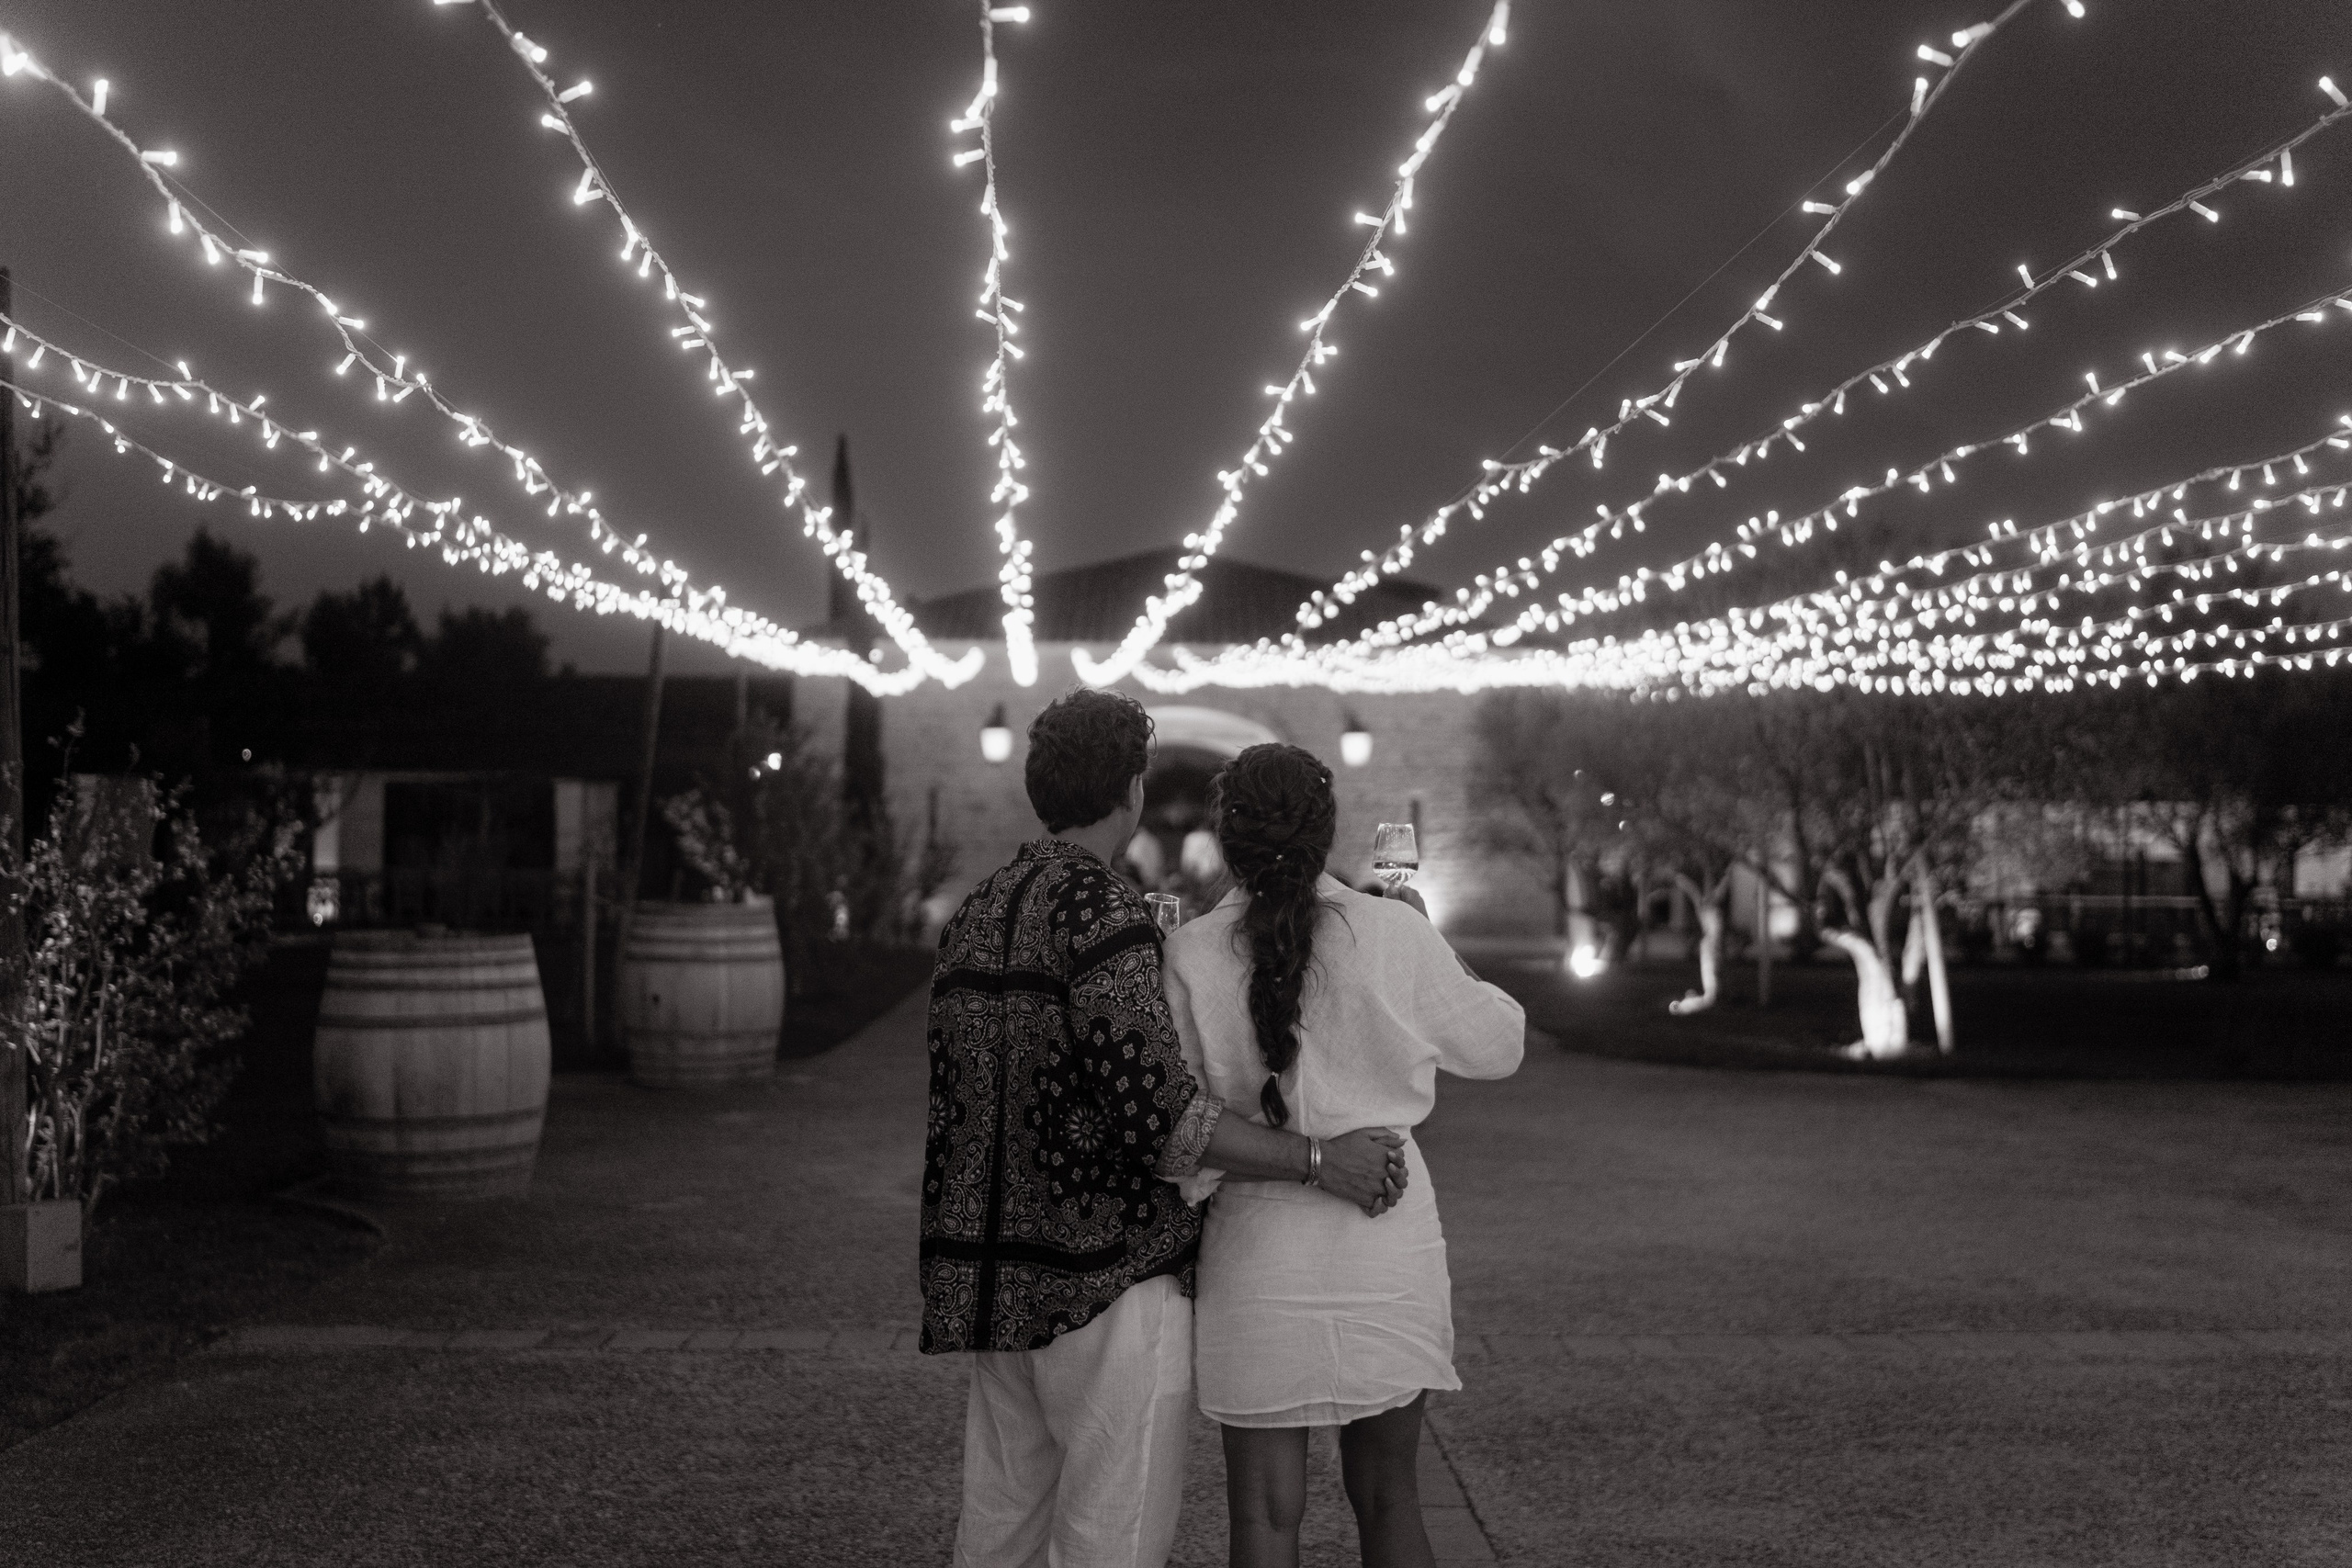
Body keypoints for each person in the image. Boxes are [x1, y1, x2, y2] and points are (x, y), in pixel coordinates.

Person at [920, 689, 1412, 1568]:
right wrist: (1314, 1158)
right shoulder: (1102, 915)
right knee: (1110, 1540)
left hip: (997, 1277)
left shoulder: (976, 912)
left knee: (997, 1533)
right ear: (1133, 791)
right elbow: (1163, 1121)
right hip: (1104, 1282)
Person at [1161, 743, 1525, 1568]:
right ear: (1328, 834)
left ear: (1228, 839)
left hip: (1258, 1252)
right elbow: (1501, 1043)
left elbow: (1180, 1138)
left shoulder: (1188, 955)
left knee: (1262, 1518)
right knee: (1391, 1496)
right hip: (1387, 1233)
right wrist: (1433, 943)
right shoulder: (1394, 933)